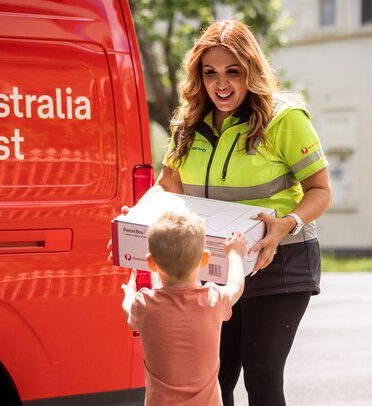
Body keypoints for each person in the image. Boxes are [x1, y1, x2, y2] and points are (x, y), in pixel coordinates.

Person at [157, 19, 332, 406]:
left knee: (262, 378)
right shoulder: (187, 124)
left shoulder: (284, 119)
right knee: (215, 378)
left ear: (251, 70)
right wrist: (139, 220)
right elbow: (167, 189)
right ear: (198, 76)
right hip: (211, 263)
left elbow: (321, 191)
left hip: (279, 262)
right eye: (210, 73)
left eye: (233, 71)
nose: (221, 84)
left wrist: (287, 223)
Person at [121, 210, 248, 406]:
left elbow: (128, 309)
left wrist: (129, 291)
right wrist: (234, 254)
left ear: (151, 263)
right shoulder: (212, 300)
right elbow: (236, 286)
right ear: (204, 259)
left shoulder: (145, 304)